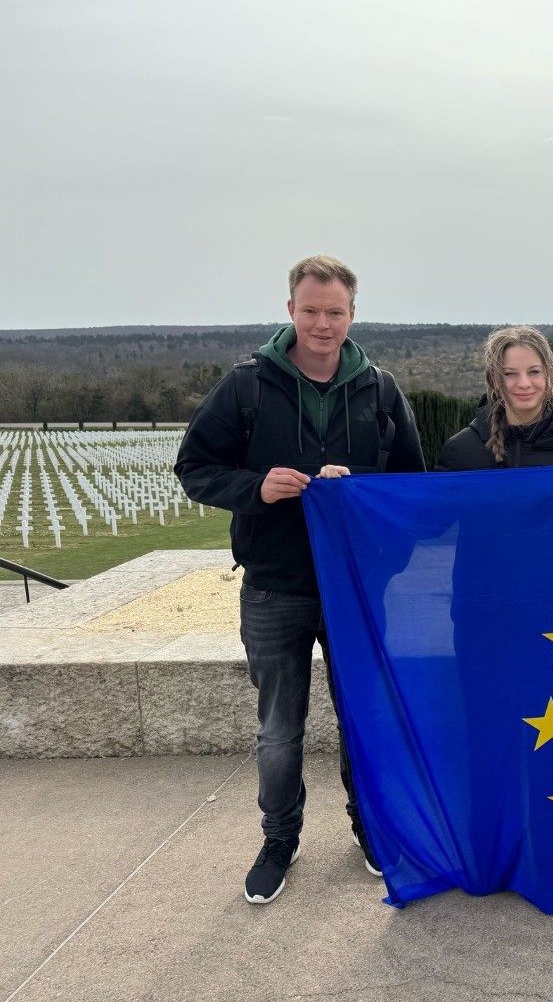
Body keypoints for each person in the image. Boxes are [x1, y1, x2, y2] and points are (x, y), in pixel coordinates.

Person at [175, 254, 425, 904]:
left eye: (334, 312)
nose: (322, 323)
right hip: (274, 588)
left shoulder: (381, 389)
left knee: (362, 721)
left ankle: (370, 829)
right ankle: (278, 841)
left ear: (351, 315)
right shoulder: (246, 387)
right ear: (290, 310)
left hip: (357, 592)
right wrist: (257, 487)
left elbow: (412, 492)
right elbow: (195, 466)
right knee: (279, 733)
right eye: (310, 310)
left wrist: (366, 510)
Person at [436, 326, 553, 470]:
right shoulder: (460, 452)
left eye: (534, 372)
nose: (524, 383)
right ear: (494, 380)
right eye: (510, 374)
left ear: (549, 375)